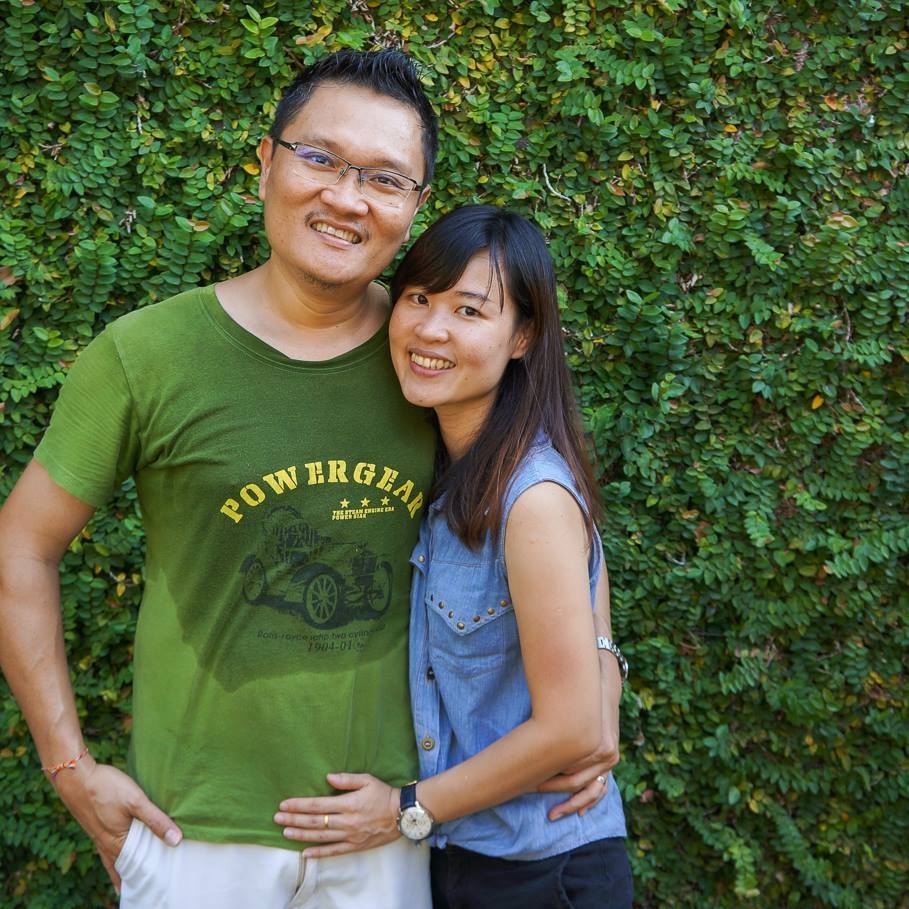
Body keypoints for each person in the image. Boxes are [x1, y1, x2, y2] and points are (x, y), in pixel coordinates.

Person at [0, 51, 621, 909]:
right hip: (196, 833)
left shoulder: (433, 355)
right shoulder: (145, 355)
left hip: (390, 832)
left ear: (413, 206)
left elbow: (543, 497)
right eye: (320, 157)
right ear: (265, 162)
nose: (346, 196)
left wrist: (597, 684)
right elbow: (20, 546)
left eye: (384, 178)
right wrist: (69, 764)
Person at [272, 205, 633, 908]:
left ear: (522, 335)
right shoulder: (445, 463)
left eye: (469, 311)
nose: (431, 329)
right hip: (464, 860)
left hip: (542, 869)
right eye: (418, 298)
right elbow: (588, 569)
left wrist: (404, 807)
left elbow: (569, 728)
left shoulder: (530, 498)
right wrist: (603, 664)